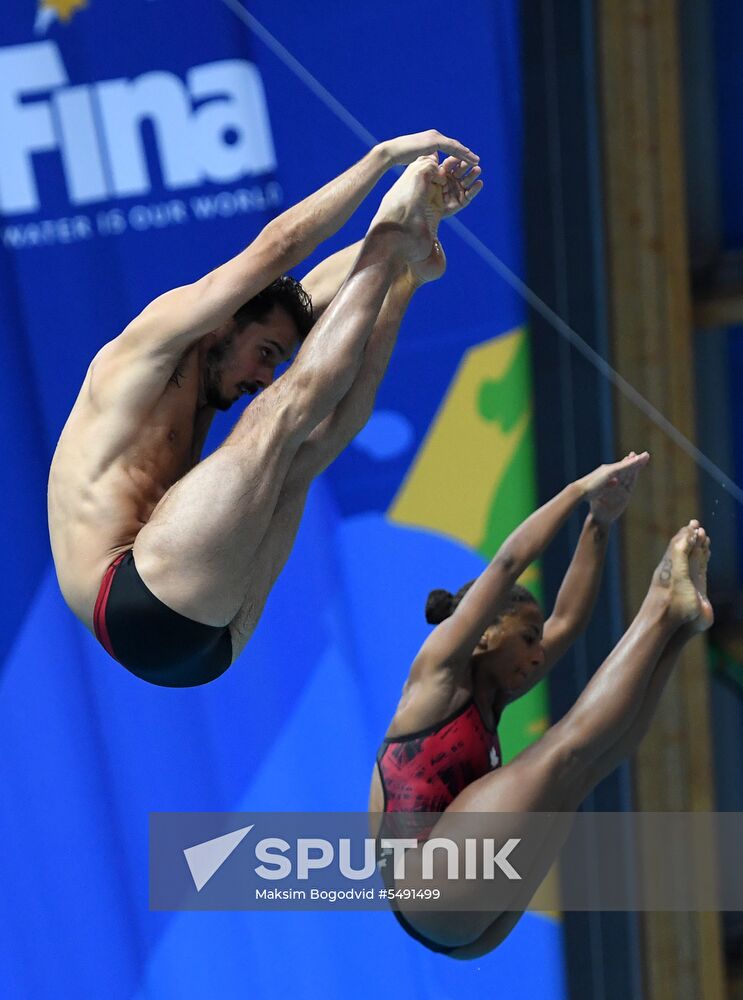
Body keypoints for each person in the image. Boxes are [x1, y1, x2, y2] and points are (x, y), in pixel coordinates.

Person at [48, 132, 483, 687]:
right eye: (266, 354)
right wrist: (381, 161)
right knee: (277, 417)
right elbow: (278, 247)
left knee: (307, 455)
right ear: (224, 324)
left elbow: (308, 293)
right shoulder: (150, 345)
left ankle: (405, 280)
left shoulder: (218, 363)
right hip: (130, 597)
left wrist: (419, 221)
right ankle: (396, 240)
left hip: (208, 643)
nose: (262, 377)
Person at [369, 451, 713, 957]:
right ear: (484, 634)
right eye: (528, 639)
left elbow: (568, 620)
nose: (537, 656)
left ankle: (679, 627)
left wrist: (599, 522)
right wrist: (579, 491)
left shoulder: (493, 694)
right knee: (562, 751)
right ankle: (662, 602)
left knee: (586, 770)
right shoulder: (437, 673)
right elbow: (509, 562)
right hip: (427, 887)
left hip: (467, 925)